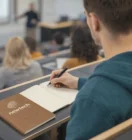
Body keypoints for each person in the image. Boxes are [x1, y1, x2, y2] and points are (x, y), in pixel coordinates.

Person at [50, 0, 132, 139]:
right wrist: (78, 82)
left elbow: (104, 94)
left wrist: (93, 89)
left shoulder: (91, 102)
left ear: (94, 22)